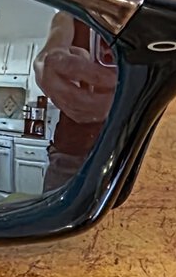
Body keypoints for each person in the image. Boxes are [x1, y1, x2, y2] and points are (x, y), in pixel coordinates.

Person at [32, 12, 117, 192]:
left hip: (142, 148)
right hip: (71, 153)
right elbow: (50, 49)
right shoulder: (70, 14)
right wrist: (45, 63)